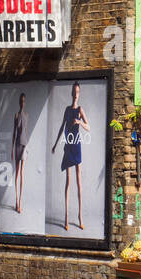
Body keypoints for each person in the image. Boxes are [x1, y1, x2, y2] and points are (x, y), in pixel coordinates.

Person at [51, 81, 89, 230]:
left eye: (78, 92)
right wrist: (55, 144)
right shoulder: (67, 110)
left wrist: (79, 122)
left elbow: (89, 127)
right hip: (68, 145)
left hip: (77, 145)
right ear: (71, 93)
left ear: (79, 94)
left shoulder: (80, 109)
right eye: (74, 92)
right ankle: (66, 217)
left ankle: (80, 217)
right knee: (68, 182)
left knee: (79, 183)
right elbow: (62, 127)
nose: (75, 94)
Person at [11, 93, 28, 215]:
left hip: (24, 145)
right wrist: (12, 149)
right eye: (21, 101)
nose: (22, 103)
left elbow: (26, 132)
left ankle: (20, 202)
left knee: (22, 173)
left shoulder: (27, 115)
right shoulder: (16, 115)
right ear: (19, 102)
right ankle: (16, 201)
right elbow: (14, 133)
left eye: (24, 101)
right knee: (17, 174)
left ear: (25, 102)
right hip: (17, 145)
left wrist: (27, 146)